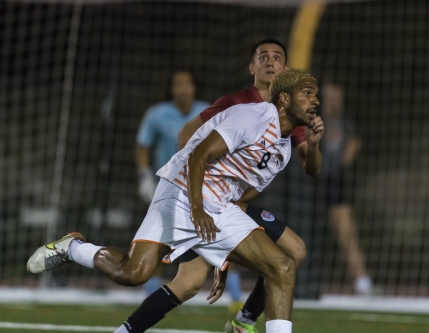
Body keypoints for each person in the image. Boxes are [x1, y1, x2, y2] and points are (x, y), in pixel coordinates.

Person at [27, 68, 322, 333]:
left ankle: (242, 323)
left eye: (315, 94)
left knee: (283, 266)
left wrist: (224, 254)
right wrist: (196, 209)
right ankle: (73, 248)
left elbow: (245, 194)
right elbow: (198, 156)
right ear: (284, 99)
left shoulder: (283, 149)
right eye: (307, 93)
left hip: (219, 206)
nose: (315, 101)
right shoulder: (251, 116)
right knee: (133, 274)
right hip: (180, 191)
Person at [115, 39, 324, 333]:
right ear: (252, 67)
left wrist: (313, 147)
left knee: (293, 255)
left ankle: (245, 320)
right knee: (181, 282)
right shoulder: (239, 104)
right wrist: (194, 191)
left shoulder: (293, 118)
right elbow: (188, 137)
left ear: (286, 69)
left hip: (237, 202)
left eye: (277, 57)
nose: (270, 62)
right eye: (262, 57)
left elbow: (310, 168)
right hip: (201, 195)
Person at [135, 70, 210, 295]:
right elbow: (142, 145)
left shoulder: (208, 112)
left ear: (194, 87)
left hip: (202, 187)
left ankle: (235, 298)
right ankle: (150, 292)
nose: (183, 89)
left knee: (221, 235)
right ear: (171, 88)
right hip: (166, 187)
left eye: (187, 84)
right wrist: (144, 176)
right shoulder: (157, 114)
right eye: (178, 84)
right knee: (160, 239)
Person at [320, 82, 372, 295]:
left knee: (347, 231)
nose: (334, 100)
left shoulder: (344, 123)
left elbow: (354, 141)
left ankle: (362, 281)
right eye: (330, 96)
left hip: (334, 182)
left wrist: (342, 162)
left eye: (337, 96)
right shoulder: (310, 119)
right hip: (308, 184)